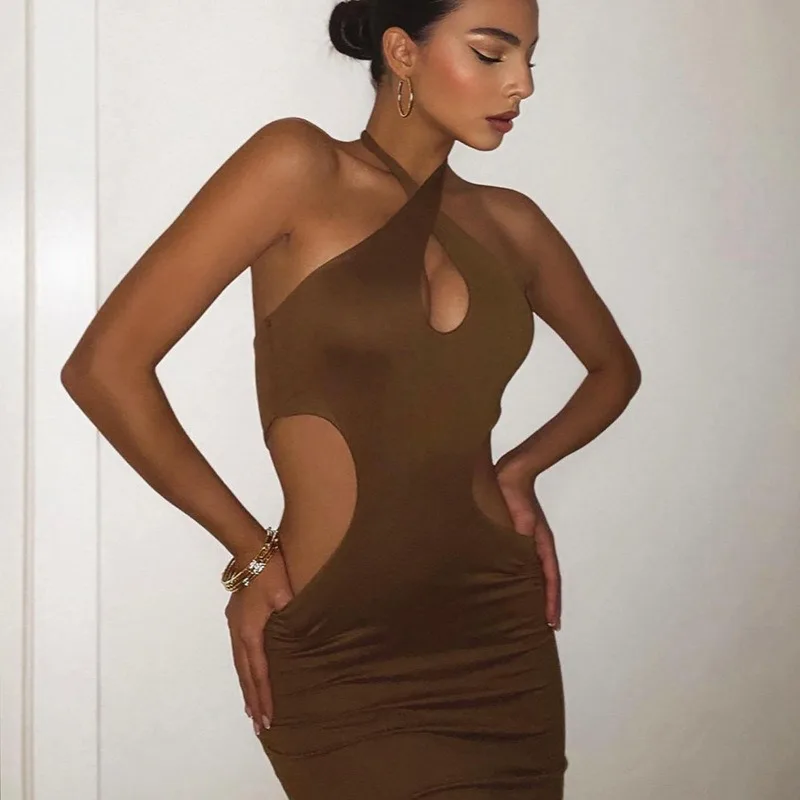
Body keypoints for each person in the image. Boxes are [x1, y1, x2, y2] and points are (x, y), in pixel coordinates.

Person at [61, 0, 641, 796]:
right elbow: (104, 368)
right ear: (402, 53)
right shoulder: (297, 168)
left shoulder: (513, 224)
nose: (523, 85)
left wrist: (521, 471)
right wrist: (248, 551)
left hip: (497, 635)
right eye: (492, 54)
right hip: (339, 644)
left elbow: (613, 371)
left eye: (529, 59)